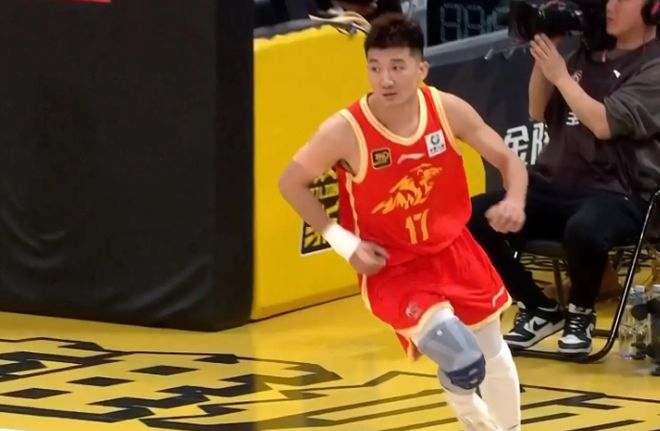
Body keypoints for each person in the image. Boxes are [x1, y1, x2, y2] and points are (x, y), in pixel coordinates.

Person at [279, 14, 528, 431]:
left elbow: (507, 159)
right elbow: (291, 182)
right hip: (393, 266)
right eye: (375, 68)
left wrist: (515, 200)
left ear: (421, 68)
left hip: (453, 250)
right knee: (461, 357)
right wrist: (344, 243)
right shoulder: (345, 130)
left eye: (397, 67)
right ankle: (466, 405)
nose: (386, 79)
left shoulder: (446, 109)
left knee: (494, 356)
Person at [468, 0, 660, 356]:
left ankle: (580, 313)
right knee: (472, 216)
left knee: (584, 228)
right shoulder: (584, 57)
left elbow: (603, 124)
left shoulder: (654, 66)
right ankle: (538, 307)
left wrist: (560, 75)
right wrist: (548, 53)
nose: (611, 6)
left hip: (620, 192)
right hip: (556, 183)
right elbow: (536, 109)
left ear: (653, 8)